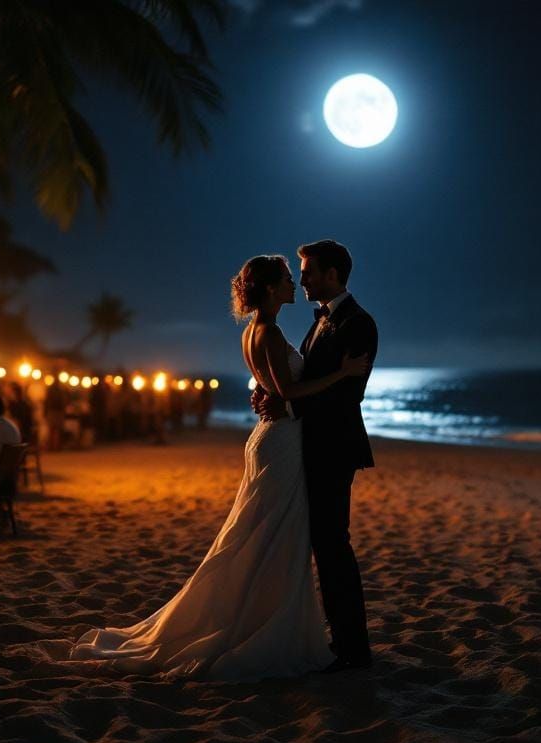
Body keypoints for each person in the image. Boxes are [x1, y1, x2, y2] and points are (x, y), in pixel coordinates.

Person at [68, 254, 368, 680]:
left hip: (272, 436)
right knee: (269, 537)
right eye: (286, 278)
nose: (293, 284)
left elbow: (277, 389)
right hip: (281, 442)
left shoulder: (255, 330)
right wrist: (341, 374)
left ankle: (264, 614)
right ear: (268, 289)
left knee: (261, 535)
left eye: (297, 276)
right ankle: (261, 621)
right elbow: (291, 391)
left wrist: (275, 395)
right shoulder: (270, 330)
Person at [254, 239, 378, 672]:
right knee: (321, 546)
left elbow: (349, 394)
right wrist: (270, 392)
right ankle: (337, 641)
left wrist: (286, 403)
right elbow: (296, 373)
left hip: (334, 447)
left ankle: (352, 649)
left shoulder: (358, 323)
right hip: (307, 445)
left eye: (308, 271)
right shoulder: (319, 321)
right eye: (299, 273)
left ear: (332, 274)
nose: (301, 279)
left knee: (333, 545)